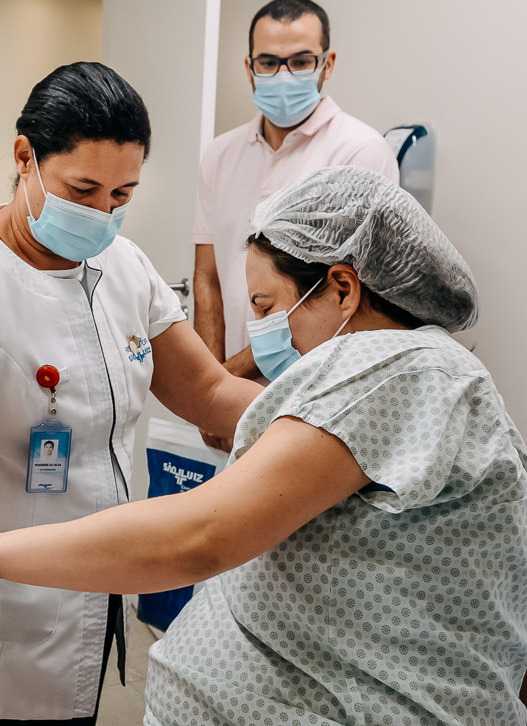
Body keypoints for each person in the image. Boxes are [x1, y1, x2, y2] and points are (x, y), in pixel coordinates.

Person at [0, 166, 527, 726]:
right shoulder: (427, 380)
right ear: (24, 158)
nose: (265, 336)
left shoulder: (385, 370)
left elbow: (200, 534)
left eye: (269, 307)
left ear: (342, 287)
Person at [0, 62, 263, 726]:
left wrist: (326, 421)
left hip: (88, 613)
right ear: (24, 157)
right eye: (82, 191)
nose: (102, 214)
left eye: (122, 195)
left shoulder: (124, 266)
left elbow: (210, 391)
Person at [193, 0, 399, 451]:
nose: (284, 74)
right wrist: (211, 384)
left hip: (318, 399)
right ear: (249, 68)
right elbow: (207, 278)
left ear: (328, 64)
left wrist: (219, 384)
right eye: (269, 62)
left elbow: (348, 297)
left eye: (301, 61)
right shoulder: (220, 155)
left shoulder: (360, 153)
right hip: (229, 390)